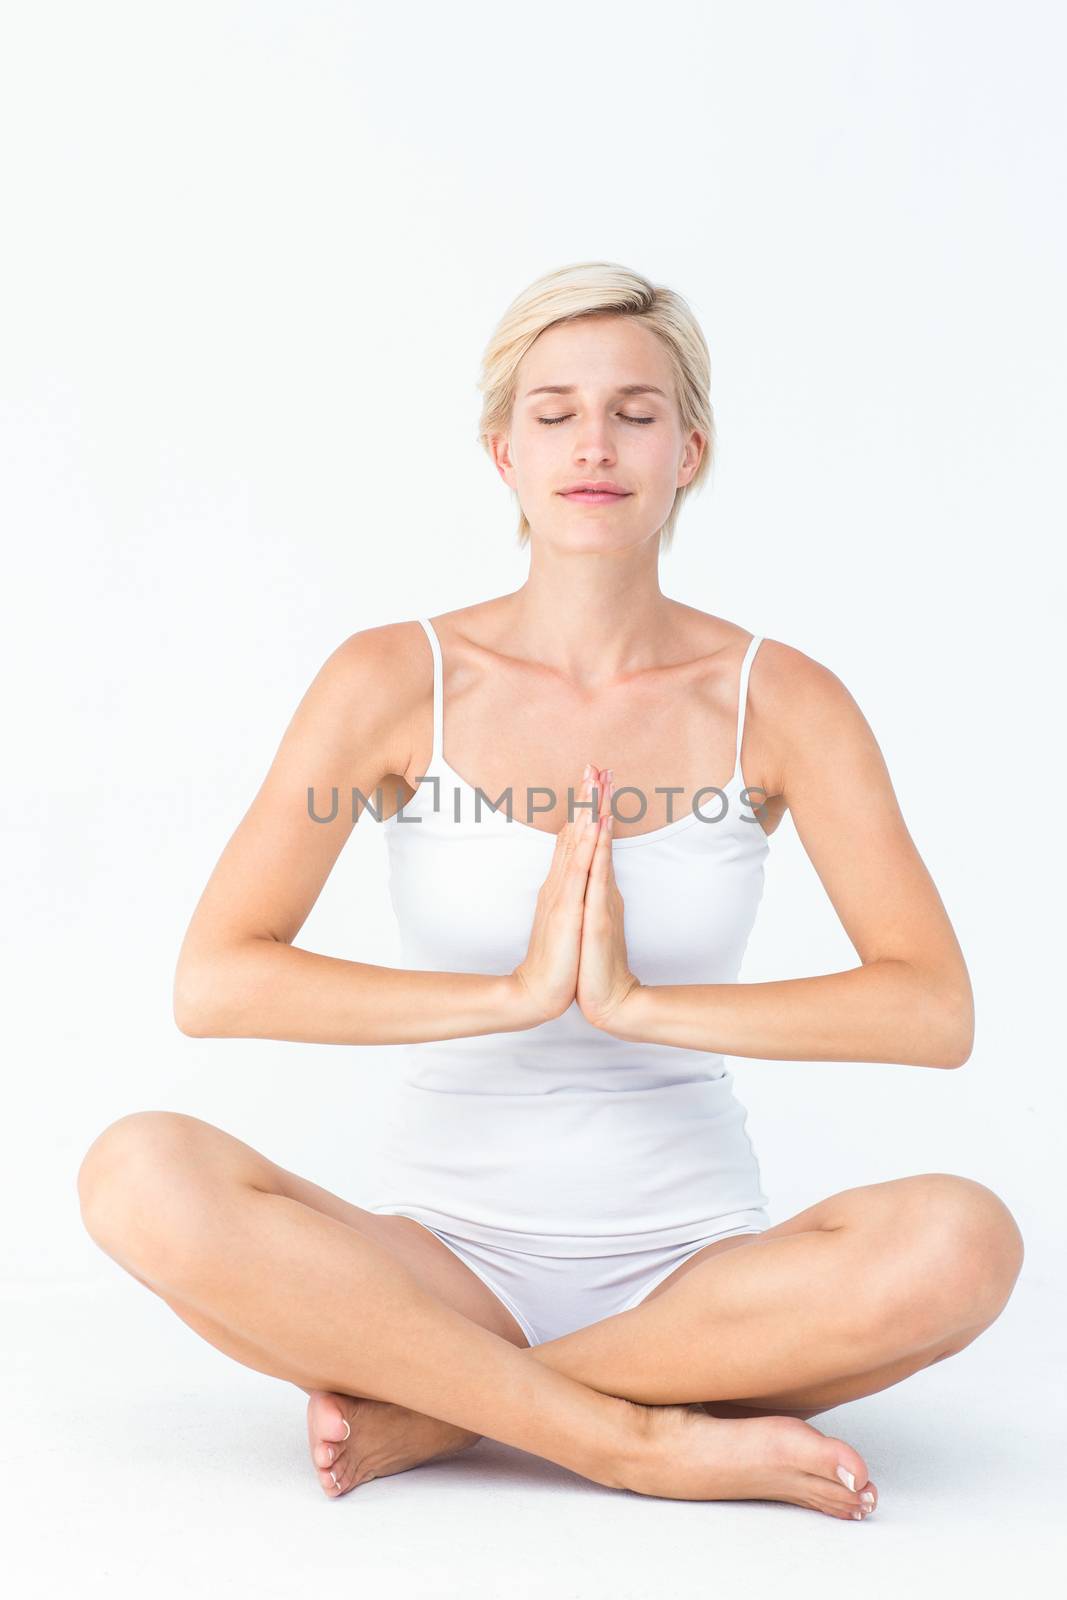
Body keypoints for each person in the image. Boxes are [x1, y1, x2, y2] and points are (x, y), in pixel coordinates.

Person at [76, 261, 1023, 1521]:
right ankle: (632, 1442)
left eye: (635, 412)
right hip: (433, 1268)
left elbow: (928, 1010)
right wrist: (515, 992)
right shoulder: (388, 679)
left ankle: (440, 1412)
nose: (594, 443)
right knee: (136, 1171)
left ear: (689, 450)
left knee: (965, 1240)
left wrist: (637, 1005)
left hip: (700, 1283)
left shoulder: (782, 700)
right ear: (500, 453)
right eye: (553, 411)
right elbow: (217, 978)